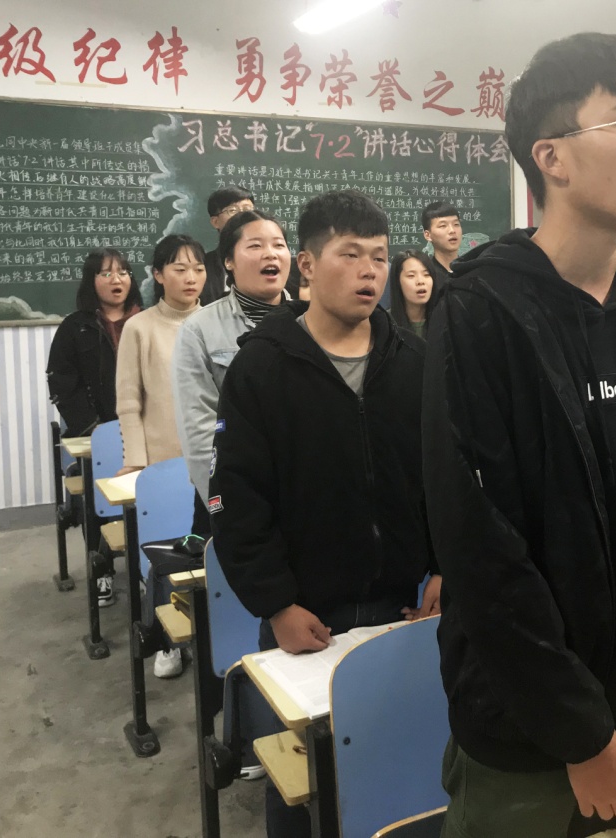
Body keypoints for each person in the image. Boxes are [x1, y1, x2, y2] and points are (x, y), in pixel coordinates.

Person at [423, 32, 616, 838]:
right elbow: (480, 553)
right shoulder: (481, 312)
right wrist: (579, 734)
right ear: (551, 157)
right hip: (529, 737)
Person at [210, 189, 439, 838]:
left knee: (399, 766)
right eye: (351, 255)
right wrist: (276, 603)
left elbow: (445, 479)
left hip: (406, 604)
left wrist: (445, 567)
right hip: (305, 616)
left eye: (380, 257)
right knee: (303, 786)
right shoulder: (261, 367)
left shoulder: (414, 363)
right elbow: (236, 500)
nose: (370, 271)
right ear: (307, 266)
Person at [117, 233, 207, 677]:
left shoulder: (214, 321)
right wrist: (137, 460)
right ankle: (166, 638)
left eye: (199, 269)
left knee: (204, 549)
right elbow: (128, 401)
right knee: (164, 555)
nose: (191, 278)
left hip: (209, 461)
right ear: (157, 275)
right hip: (161, 461)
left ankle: (207, 629)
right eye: (179, 269)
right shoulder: (139, 327)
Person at [173, 210, 291, 509]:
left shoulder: (313, 322)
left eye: (279, 245)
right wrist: (224, 508)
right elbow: (200, 433)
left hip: (306, 496)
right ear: (228, 260)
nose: (271, 254)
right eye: (255, 246)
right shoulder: (200, 330)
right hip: (238, 497)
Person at [47, 248, 143, 607]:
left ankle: (144, 568)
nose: (117, 279)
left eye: (123, 272)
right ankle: (102, 569)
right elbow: (63, 383)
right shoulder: (75, 327)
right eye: (106, 273)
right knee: (98, 502)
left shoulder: (146, 319)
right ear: (92, 281)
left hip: (144, 430)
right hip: (97, 433)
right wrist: (94, 430)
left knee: (148, 499)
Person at [201, 186, 256, 304]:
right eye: (232, 210)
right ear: (215, 222)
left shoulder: (270, 261)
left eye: (247, 209)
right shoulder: (202, 266)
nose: (242, 216)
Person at [387, 249, 436, 338]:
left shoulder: (445, 320)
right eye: (411, 276)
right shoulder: (385, 323)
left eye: (426, 274)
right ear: (397, 281)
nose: (420, 281)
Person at [421, 200, 463, 277]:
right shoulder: (426, 275)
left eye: (456, 224)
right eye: (443, 226)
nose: (452, 230)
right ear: (428, 235)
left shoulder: (472, 272)